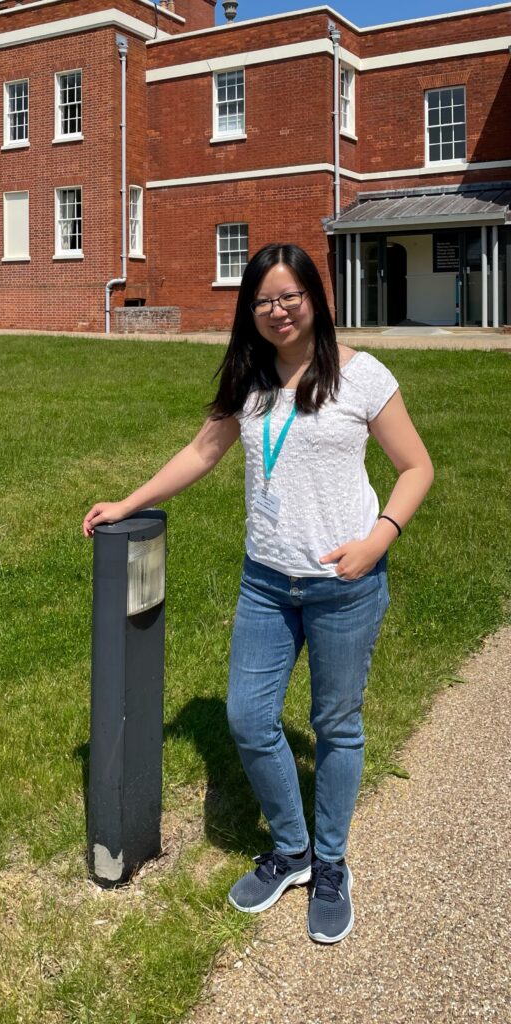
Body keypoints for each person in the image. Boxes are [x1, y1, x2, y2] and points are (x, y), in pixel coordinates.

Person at [82, 243, 433, 944]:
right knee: (247, 719)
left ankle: (331, 863)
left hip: (344, 583)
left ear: (314, 298)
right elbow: (202, 452)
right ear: (251, 308)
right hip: (267, 583)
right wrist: (129, 500)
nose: (278, 311)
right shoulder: (248, 377)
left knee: (336, 726)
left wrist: (378, 539)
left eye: (289, 297)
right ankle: (295, 850)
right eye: (264, 300)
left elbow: (416, 466)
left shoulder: (361, 376)